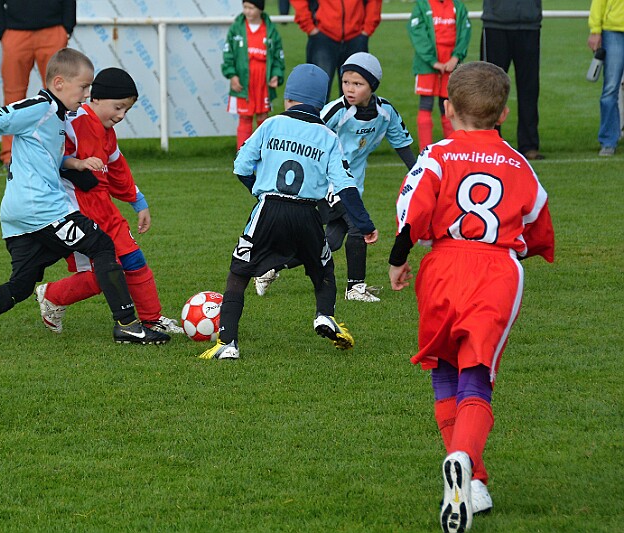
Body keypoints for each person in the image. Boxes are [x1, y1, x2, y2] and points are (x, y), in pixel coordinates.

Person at [387, 62, 554, 533]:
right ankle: (465, 462)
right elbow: (539, 229)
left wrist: (398, 259)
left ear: (448, 109)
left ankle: (471, 481)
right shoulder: (519, 164)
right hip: (496, 270)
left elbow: (413, 210)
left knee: (444, 368)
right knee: (477, 373)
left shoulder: (436, 154)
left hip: (441, 268)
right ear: (503, 114)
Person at [0, 48, 170, 346]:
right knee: (102, 244)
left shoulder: (59, 117)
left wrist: (76, 164)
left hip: (18, 215)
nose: (87, 94)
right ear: (59, 83)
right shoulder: (39, 107)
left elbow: (48, 158)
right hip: (42, 208)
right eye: (83, 87)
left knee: (20, 286)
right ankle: (127, 325)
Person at [198, 63, 379, 361]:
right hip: (308, 212)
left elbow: (241, 166)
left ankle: (227, 343)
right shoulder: (328, 136)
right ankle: (324, 315)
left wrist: (259, 191)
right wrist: (364, 223)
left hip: (269, 208)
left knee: (239, 272)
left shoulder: (270, 125)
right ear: (321, 103)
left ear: (288, 98)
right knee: (323, 268)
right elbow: (346, 185)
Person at [255, 53, 416, 303]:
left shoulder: (386, 112)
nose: (350, 89)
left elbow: (402, 144)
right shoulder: (335, 111)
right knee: (358, 227)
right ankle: (355, 288)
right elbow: (307, 133)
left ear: (372, 86)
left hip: (352, 185)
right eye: (346, 82)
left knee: (331, 241)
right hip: (328, 182)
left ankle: (271, 267)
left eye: (358, 84)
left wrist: (418, 174)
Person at [35, 67, 183, 335]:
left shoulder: (107, 132)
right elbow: (47, 157)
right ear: (96, 98)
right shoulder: (73, 121)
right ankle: (52, 296)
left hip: (104, 207)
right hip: (76, 210)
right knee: (103, 274)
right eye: (118, 107)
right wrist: (75, 164)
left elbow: (117, 169)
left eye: (127, 109)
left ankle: (152, 319)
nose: (121, 115)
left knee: (134, 260)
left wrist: (138, 201)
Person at [0, 0, 76, 169]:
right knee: (13, 97)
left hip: (53, 31)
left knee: (60, 97)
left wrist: (66, 28)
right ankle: (10, 156)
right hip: (15, 34)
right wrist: (3, 32)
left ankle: (62, 153)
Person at [480, 0, 544, 161]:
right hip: (495, 25)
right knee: (491, 88)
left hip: (529, 26)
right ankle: (490, 141)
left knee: (529, 88)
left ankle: (529, 145)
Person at [407, 0, 471, 151]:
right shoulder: (422, 6)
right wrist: (432, 61)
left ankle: (453, 149)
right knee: (426, 105)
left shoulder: (458, 7)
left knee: (448, 107)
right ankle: (425, 150)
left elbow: (464, 33)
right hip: (427, 65)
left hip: (451, 64)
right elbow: (418, 34)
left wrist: (455, 57)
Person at [289, 0, 383, 101]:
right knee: (317, 95)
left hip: (355, 37)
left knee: (355, 97)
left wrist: (368, 28)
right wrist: (309, 26)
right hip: (323, 37)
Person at [222, 0, 285, 149]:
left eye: (251, 8)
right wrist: (232, 75)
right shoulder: (236, 28)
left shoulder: (270, 29)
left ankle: (264, 152)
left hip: (262, 81)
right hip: (244, 81)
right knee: (245, 117)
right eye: (245, 7)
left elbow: (278, 56)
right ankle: (242, 153)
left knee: (263, 117)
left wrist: (276, 74)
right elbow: (228, 54)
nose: (247, 11)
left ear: (260, 9)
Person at [588, 0, 624, 156]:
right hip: (613, 30)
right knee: (610, 89)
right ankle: (608, 141)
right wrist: (595, 30)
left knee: (610, 90)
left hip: (613, 30)